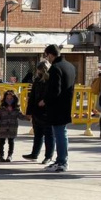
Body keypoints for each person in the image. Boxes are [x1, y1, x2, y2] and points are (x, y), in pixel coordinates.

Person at [42, 45, 76, 173]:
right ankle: (60, 160)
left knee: (60, 134)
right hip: (66, 105)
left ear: (50, 55)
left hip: (56, 107)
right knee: (62, 133)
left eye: (47, 56)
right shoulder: (70, 66)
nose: (47, 59)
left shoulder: (55, 68)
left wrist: (45, 100)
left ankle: (62, 161)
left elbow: (55, 90)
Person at [22, 60, 54, 164]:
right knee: (38, 134)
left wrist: (45, 101)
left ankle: (48, 156)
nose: (38, 72)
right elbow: (32, 96)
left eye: (39, 70)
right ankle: (34, 153)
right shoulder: (37, 80)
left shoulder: (50, 80)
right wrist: (29, 111)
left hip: (46, 111)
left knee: (48, 134)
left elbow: (52, 94)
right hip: (37, 110)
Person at [0, 90, 21, 162]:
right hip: (3, 127)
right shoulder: (1, 108)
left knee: (11, 141)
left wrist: (28, 117)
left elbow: (20, 116)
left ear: (14, 99)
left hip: (12, 127)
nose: (9, 100)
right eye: (7, 98)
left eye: (11, 99)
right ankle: (1, 156)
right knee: (2, 142)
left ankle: (9, 155)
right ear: (5, 98)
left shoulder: (16, 108)